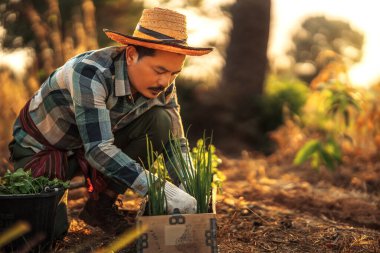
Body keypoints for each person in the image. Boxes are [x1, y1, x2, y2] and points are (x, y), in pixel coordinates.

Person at [8, 7, 213, 237]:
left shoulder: (163, 84)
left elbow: (176, 140)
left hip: (90, 147)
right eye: (160, 70)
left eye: (174, 74)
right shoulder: (89, 73)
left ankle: (100, 207)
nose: (166, 81)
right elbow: (98, 149)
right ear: (131, 54)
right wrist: (158, 189)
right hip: (44, 149)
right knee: (46, 234)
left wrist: (191, 185)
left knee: (161, 120)